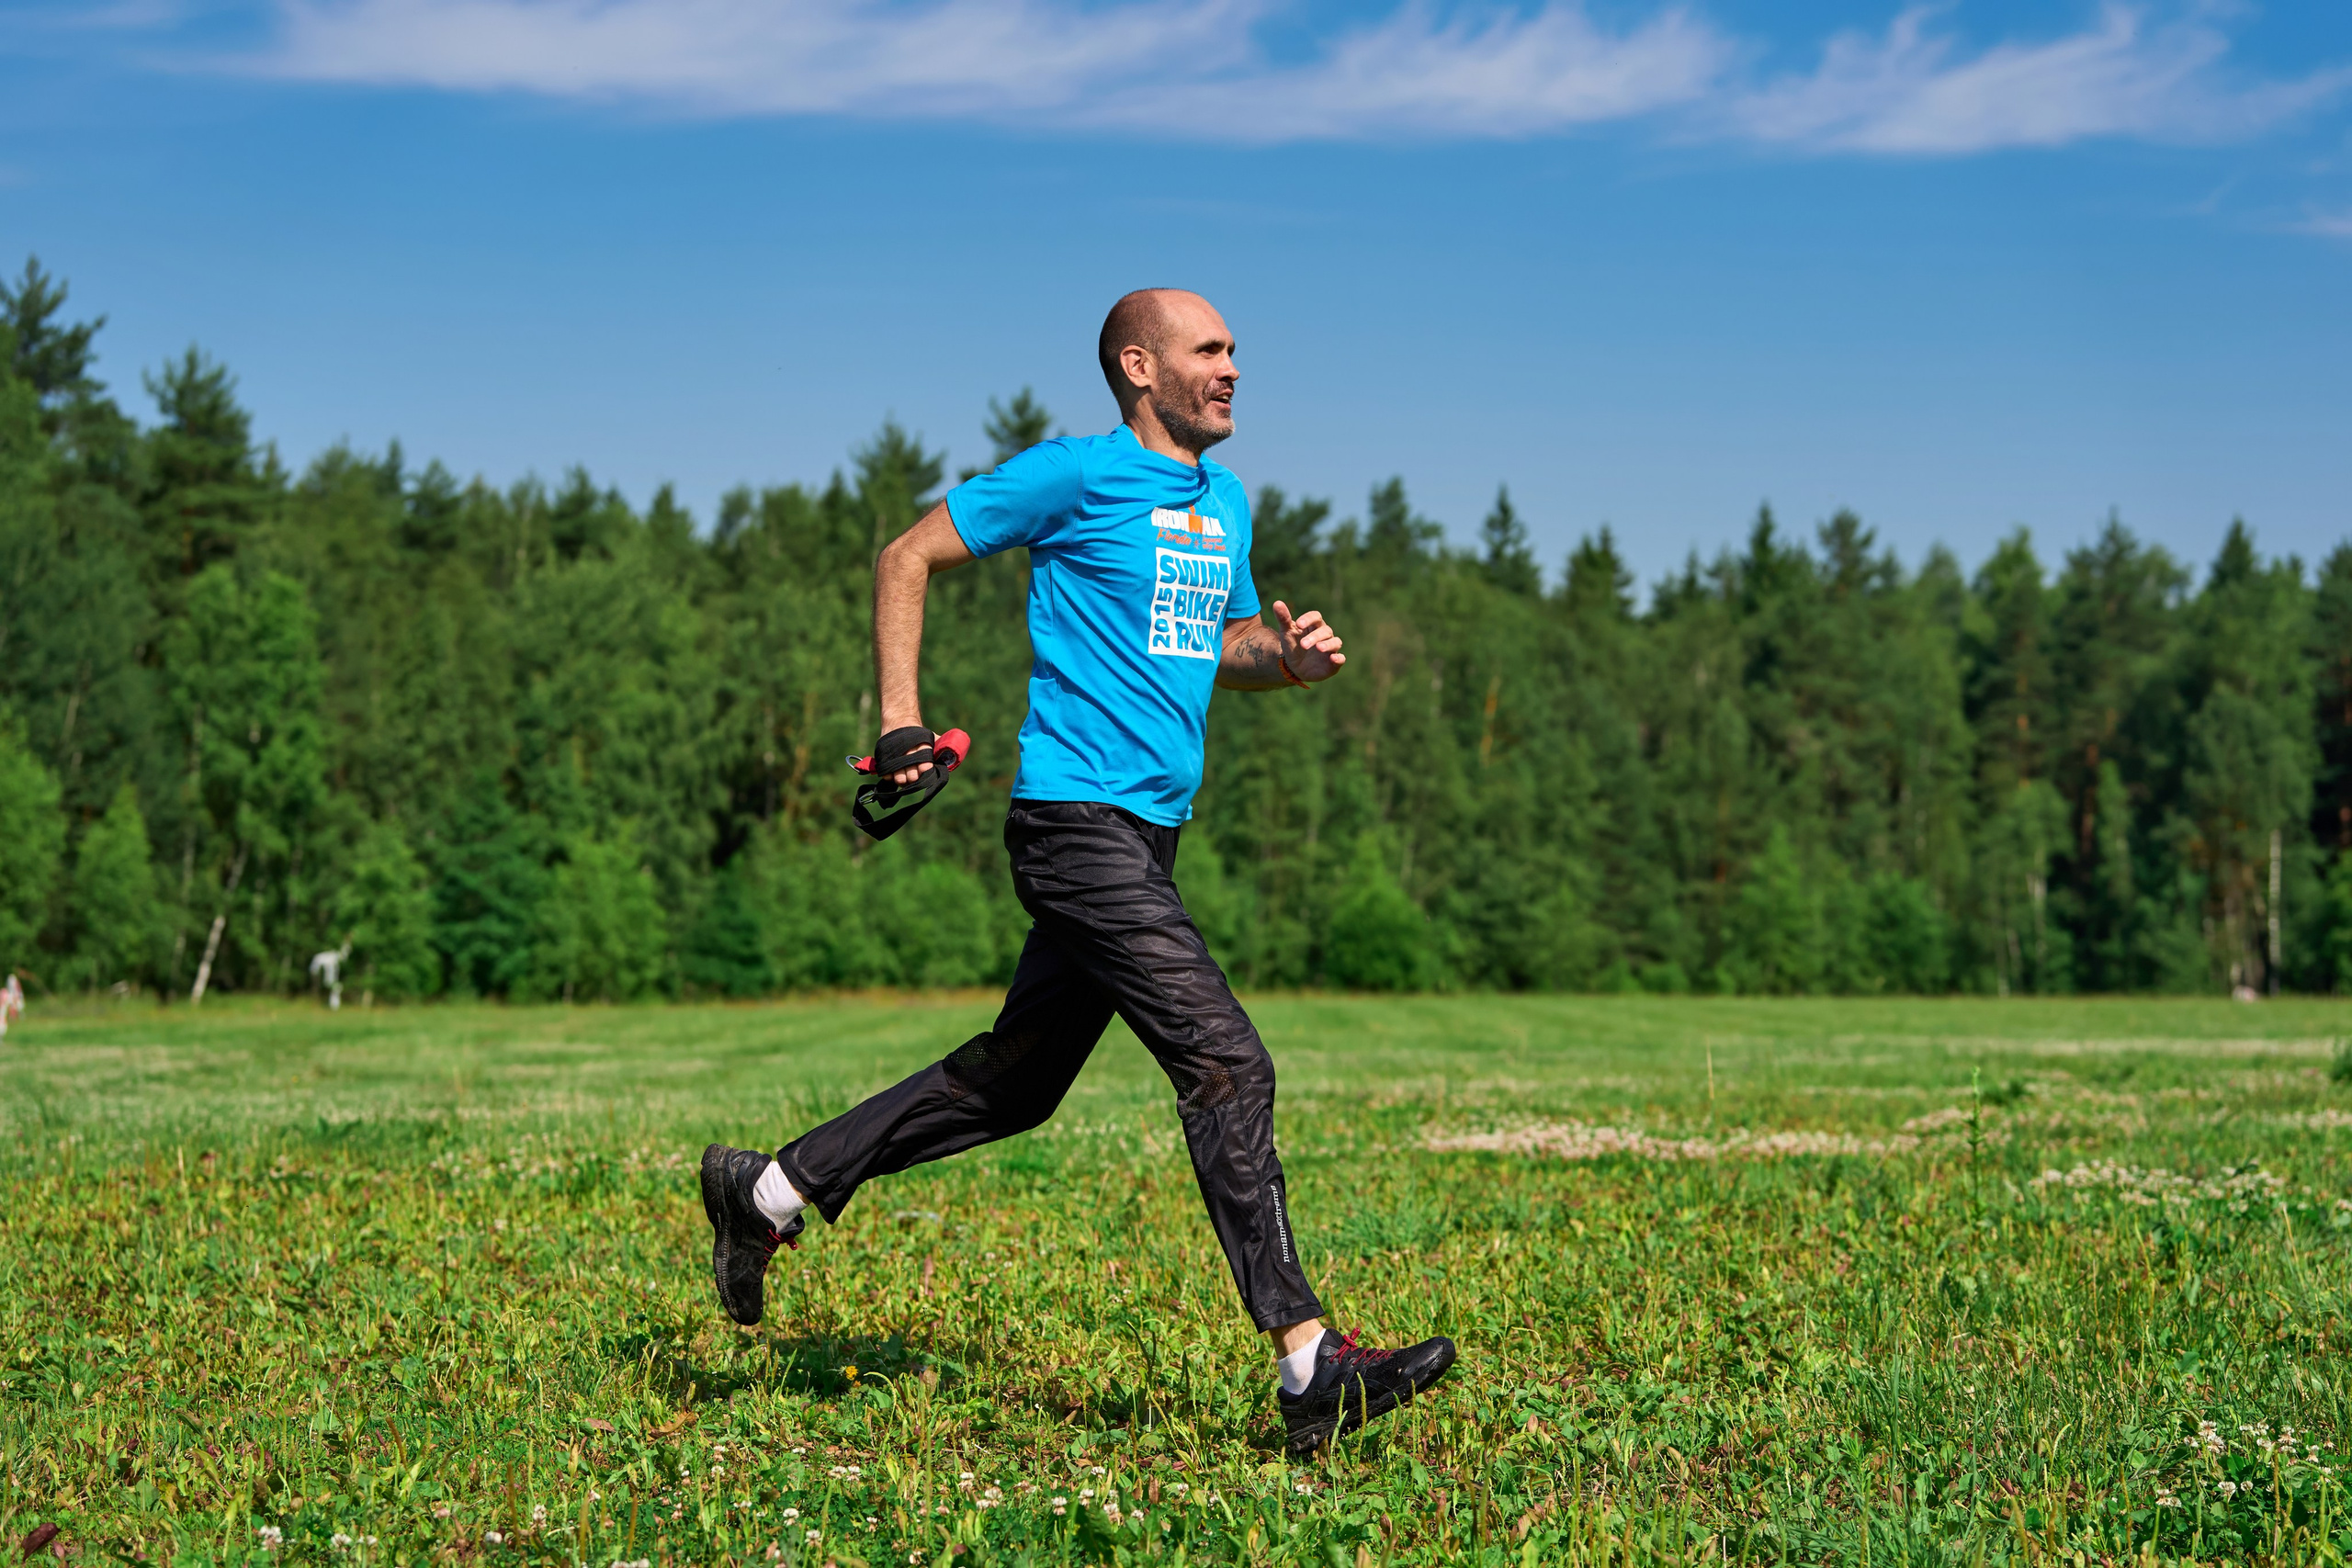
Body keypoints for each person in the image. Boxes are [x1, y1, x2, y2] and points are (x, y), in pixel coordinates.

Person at [702, 288, 1456, 1455]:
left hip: (1148, 833)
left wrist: (1288, 659)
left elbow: (1217, 645)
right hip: (1073, 829)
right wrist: (901, 722)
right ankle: (1310, 1362)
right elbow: (907, 554)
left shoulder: (1224, 500)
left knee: (1016, 1085)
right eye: (1210, 351)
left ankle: (768, 1195)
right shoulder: (1075, 475)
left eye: (1235, 351)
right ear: (1138, 367)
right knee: (1225, 1059)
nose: (1233, 369)